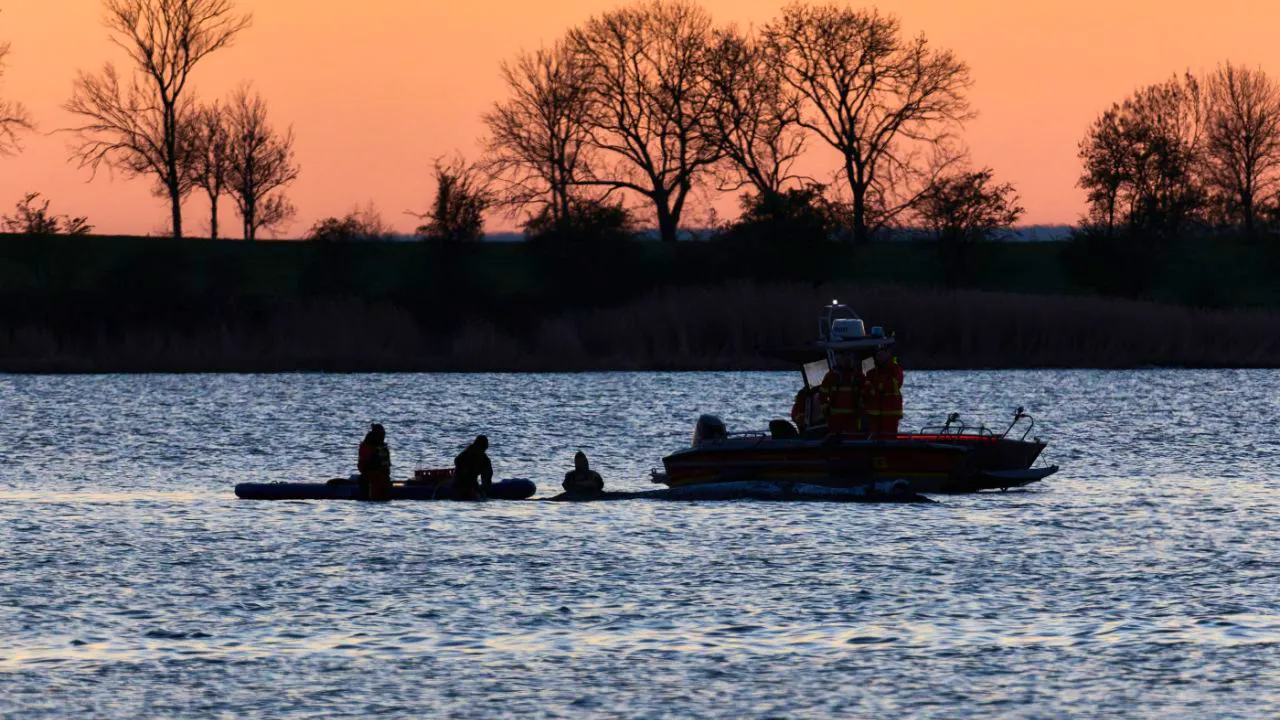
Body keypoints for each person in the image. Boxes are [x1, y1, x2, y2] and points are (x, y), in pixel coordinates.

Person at [861, 350, 904, 438]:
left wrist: (875, 386)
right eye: (878, 354)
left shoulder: (895, 369)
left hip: (890, 411)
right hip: (874, 411)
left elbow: (892, 385)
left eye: (881, 354)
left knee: (889, 436)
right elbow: (866, 389)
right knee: (873, 436)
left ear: (888, 354)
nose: (878, 356)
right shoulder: (871, 372)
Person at [819, 355, 862, 435]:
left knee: (850, 438)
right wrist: (825, 409)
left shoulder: (857, 376)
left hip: (849, 417)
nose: (846, 361)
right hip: (838, 417)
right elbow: (822, 395)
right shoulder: (831, 376)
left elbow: (862, 393)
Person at [357, 423, 392, 501]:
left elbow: (387, 466)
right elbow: (363, 467)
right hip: (370, 478)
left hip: (383, 477)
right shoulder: (368, 447)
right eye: (381, 434)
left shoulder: (382, 447)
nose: (383, 436)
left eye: (383, 434)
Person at [452, 435, 493, 501]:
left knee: (487, 467)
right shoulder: (468, 453)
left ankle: (486, 488)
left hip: (473, 481)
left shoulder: (485, 459)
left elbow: (488, 473)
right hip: (462, 481)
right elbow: (457, 461)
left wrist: (485, 485)